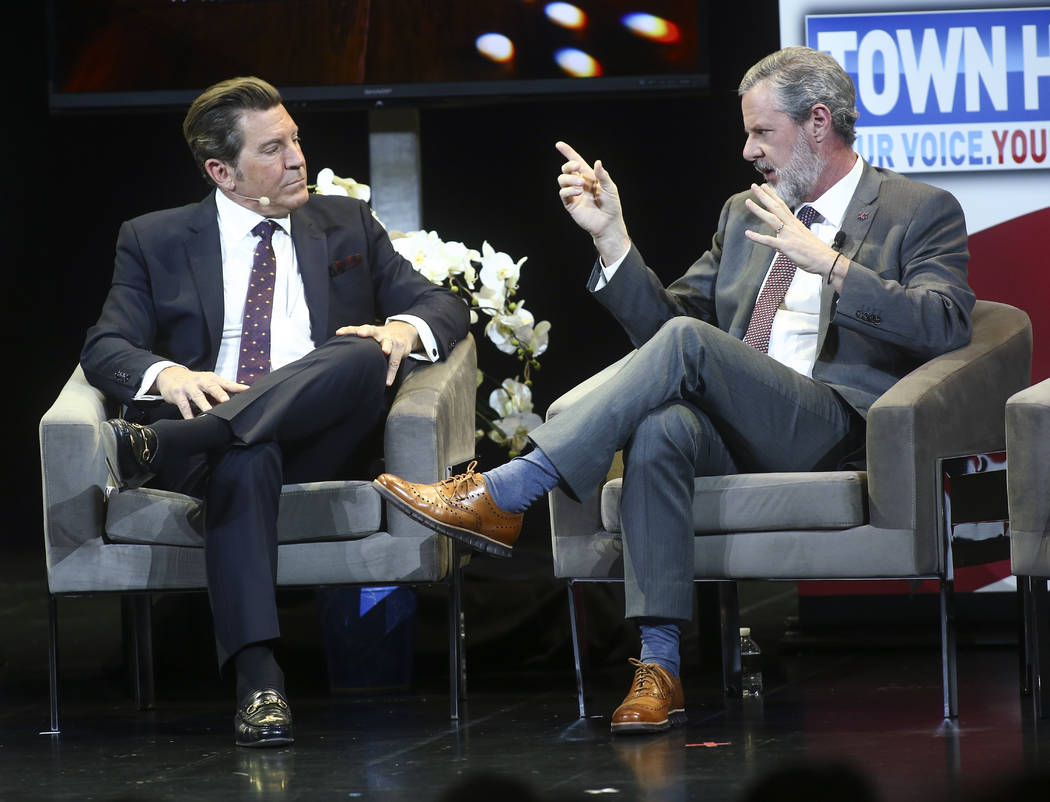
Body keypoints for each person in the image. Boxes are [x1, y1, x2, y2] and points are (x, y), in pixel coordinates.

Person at [373, 46, 975, 734]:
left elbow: (947, 323)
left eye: (761, 132)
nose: (748, 150)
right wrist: (613, 240)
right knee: (660, 429)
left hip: (832, 426)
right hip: (738, 422)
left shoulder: (916, 209)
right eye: (745, 133)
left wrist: (833, 265)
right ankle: (659, 666)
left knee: (689, 353)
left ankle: (507, 491)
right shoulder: (743, 215)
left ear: (817, 122)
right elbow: (670, 331)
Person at [80, 76, 469, 747]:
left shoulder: (345, 221)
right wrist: (167, 373)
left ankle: (172, 441)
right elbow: (105, 346)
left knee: (358, 352)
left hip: (319, 438)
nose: (297, 159)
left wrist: (403, 329)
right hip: (222, 459)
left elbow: (443, 305)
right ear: (220, 171)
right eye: (273, 149)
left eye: (295, 140)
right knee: (247, 450)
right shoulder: (156, 239)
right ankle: (260, 681)